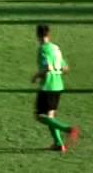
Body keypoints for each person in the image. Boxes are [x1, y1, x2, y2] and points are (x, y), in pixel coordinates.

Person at [32, 24, 81, 154]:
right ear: (49, 34)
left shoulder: (43, 49)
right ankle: (58, 144)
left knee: (39, 116)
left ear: (37, 35)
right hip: (58, 86)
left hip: (47, 86)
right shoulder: (56, 48)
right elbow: (66, 68)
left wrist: (36, 76)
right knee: (51, 116)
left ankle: (69, 129)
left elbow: (46, 67)